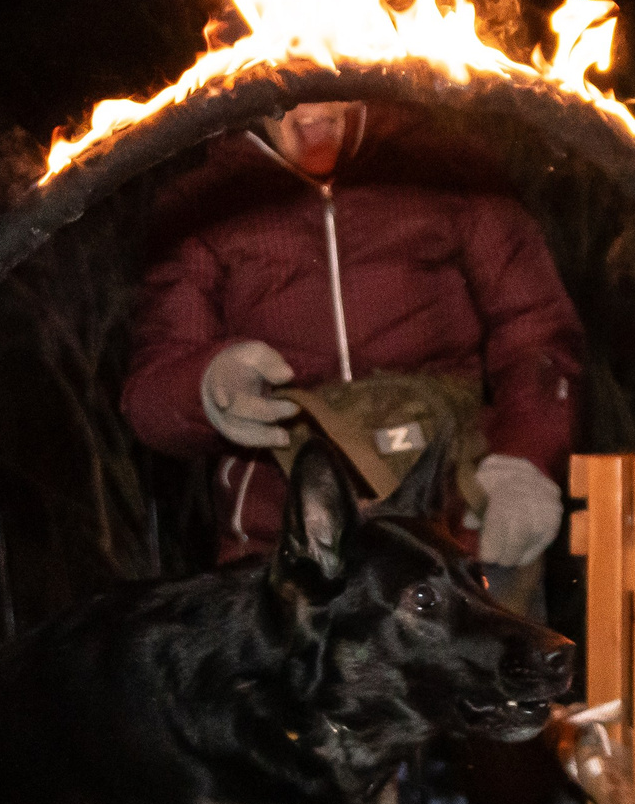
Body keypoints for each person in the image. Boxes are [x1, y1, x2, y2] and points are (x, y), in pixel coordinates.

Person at [121, 100, 583, 584]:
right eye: (287, 83)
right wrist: (208, 387)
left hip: (454, 535)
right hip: (283, 551)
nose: (309, 101)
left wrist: (524, 463)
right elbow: (151, 393)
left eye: (325, 76)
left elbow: (537, 334)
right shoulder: (204, 203)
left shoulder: (448, 171)